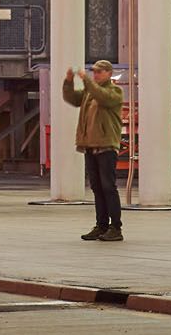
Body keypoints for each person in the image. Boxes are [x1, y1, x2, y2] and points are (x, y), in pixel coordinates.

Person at [62, 58, 124, 241]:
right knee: (97, 187)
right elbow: (72, 99)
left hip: (106, 146)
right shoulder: (89, 92)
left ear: (109, 73)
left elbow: (102, 97)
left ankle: (116, 228)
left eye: (99, 71)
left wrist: (86, 79)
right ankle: (101, 225)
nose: (95, 74)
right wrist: (68, 81)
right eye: (94, 71)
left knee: (108, 187)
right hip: (90, 146)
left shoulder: (115, 91)